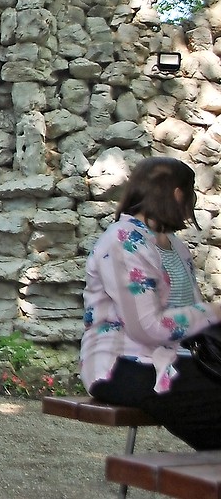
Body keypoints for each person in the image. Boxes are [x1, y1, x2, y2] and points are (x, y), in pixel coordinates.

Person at [81, 156, 221, 449]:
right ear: (178, 194)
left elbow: (189, 317)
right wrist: (213, 312)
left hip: (175, 359)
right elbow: (147, 327)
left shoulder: (174, 245)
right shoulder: (123, 242)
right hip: (123, 366)